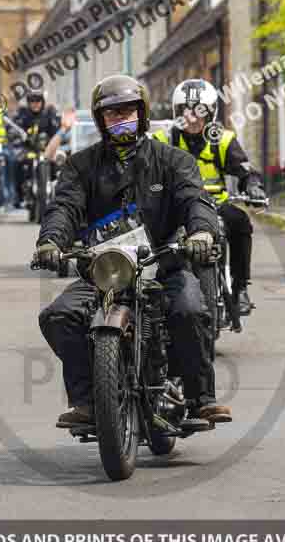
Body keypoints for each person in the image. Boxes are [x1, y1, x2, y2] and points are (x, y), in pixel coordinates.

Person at [33, 74, 232, 428]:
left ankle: (201, 397)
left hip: (163, 263)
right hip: (105, 271)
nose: (120, 118)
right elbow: (63, 208)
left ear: (141, 114)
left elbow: (195, 200)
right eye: (111, 113)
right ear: (100, 120)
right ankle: (87, 400)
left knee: (190, 308)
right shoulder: (81, 166)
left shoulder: (173, 161)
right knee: (58, 316)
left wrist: (201, 232)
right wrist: (51, 241)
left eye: (127, 110)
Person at [152, 79, 265, 319]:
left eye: (199, 110)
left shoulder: (222, 139)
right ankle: (152, 291)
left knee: (240, 221)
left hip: (215, 205)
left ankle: (240, 288)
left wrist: (253, 186)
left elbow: (246, 169)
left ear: (210, 112)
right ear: (178, 112)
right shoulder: (163, 140)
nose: (193, 117)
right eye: (186, 110)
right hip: (177, 208)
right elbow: (145, 169)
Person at [11, 90, 60, 207]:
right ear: (28, 103)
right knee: (16, 162)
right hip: (29, 149)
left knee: (60, 163)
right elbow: (14, 129)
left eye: (38, 101)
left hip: (47, 150)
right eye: (32, 101)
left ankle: (60, 194)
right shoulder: (22, 114)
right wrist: (15, 136)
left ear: (42, 102)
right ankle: (18, 195)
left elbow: (57, 129)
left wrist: (59, 136)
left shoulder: (49, 113)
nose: (35, 104)